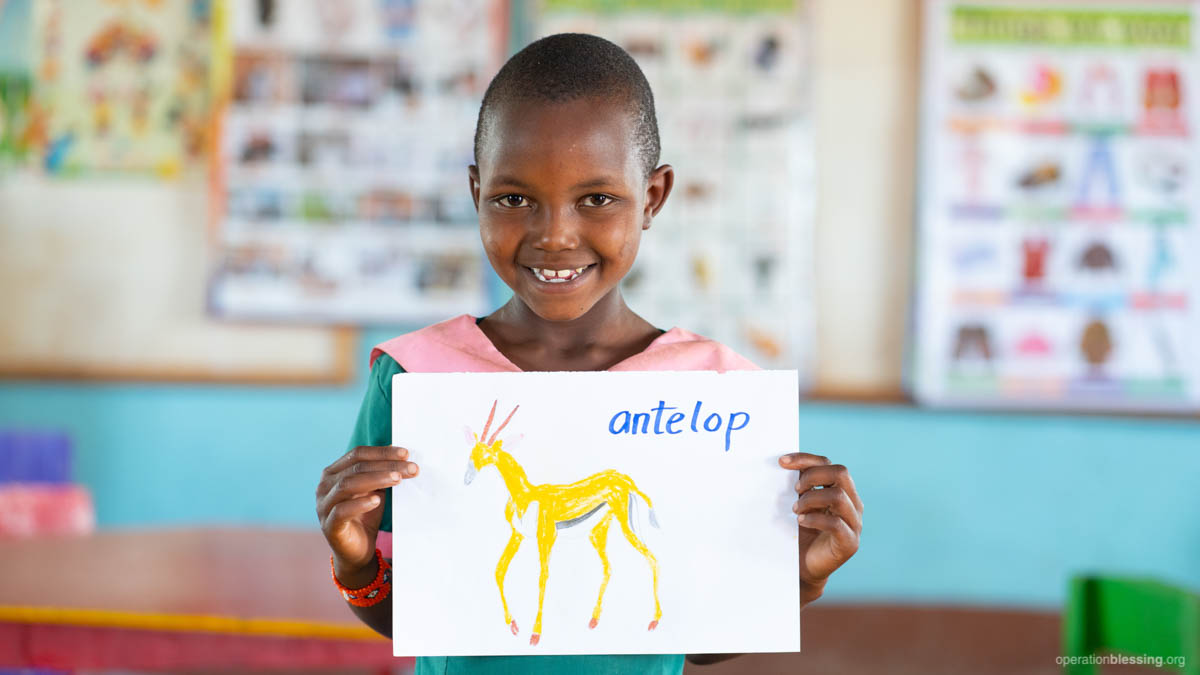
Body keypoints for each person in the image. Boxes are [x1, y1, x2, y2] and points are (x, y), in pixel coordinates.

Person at [316, 33, 864, 675]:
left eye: (596, 199)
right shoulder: (413, 377)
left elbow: (697, 641)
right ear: (476, 193)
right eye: (513, 199)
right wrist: (354, 563)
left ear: (653, 198)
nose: (554, 235)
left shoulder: (716, 392)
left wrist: (798, 579)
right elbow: (427, 614)